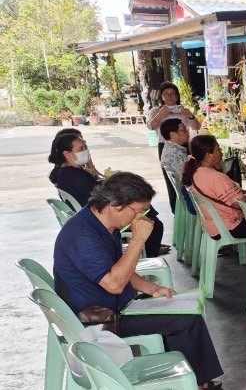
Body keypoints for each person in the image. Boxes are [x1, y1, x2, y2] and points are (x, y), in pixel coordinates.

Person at [53, 172, 233, 390]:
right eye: (138, 211)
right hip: (97, 321)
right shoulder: (83, 236)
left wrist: (152, 288)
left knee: (186, 309)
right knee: (184, 321)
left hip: (112, 305)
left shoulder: (103, 223)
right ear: (115, 205)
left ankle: (196, 378)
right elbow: (115, 283)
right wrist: (138, 240)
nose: (142, 218)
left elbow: (118, 267)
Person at [49, 129, 168, 257]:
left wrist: (94, 173)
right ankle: (148, 256)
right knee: (155, 224)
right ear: (67, 154)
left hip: (91, 212)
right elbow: (99, 195)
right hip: (99, 216)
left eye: (86, 147)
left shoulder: (67, 172)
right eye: (81, 149)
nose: (86, 151)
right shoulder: (75, 176)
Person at [183, 134, 246, 240]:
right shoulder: (215, 177)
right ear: (208, 156)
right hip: (229, 226)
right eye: (218, 149)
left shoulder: (195, 172)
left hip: (213, 225)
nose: (221, 152)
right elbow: (241, 204)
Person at [146, 80, 199, 159]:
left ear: (177, 96)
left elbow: (196, 127)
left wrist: (189, 115)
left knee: (187, 170)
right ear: (162, 96)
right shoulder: (155, 111)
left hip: (183, 144)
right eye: (166, 94)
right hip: (164, 144)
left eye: (172, 94)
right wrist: (160, 115)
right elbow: (150, 127)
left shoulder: (184, 110)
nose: (169, 96)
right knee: (168, 170)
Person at [158, 117, 191, 207]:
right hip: (189, 197)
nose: (187, 133)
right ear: (173, 134)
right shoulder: (174, 153)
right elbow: (187, 179)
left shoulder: (173, 148)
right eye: (184, 130)